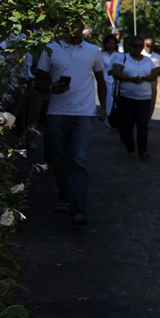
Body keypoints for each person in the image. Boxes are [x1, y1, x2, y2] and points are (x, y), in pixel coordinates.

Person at [35, 17, 107, 226]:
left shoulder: (93, 51)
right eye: (67, 23)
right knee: (58, 159)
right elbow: (38, 82)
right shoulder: (51, 48)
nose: (72, 27)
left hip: (84, 114)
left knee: (79, 159)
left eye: (76, 23)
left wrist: (103, 107)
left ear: (82, 27)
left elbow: (101, 80)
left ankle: (78, 209)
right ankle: (64, 196)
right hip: (57, 113)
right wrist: (51, 88)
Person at [111, 35, 158, 159]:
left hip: (144, 98)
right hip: (127, 97)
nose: (138, 48)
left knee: (143, 124)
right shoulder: (123, 58)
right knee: (127, 124)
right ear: (130, 46)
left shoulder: (148, 60)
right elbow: (116, 73)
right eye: (135, 46)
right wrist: (131, 79)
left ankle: (143, 150)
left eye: (141, 46)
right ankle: (130, 148)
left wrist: (143, 78)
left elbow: (154, 75)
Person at [141, 36, 160, 125]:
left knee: (151, 102)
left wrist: (156, 71)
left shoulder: (156, 56)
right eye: (147, 45)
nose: (149, 48)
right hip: (142, 82)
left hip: (152, 82)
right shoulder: (141, 55)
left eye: (152, 46)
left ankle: (148, 120)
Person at [101, 33, 120, 128]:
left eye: (113, 43)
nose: (111, 45)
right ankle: (106, 120)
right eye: (109, 43)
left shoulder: (119, 55)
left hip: (115, 81)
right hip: (104, 80)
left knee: (114, 101)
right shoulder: (101, 55)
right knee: (106, 100)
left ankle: (114, 120)